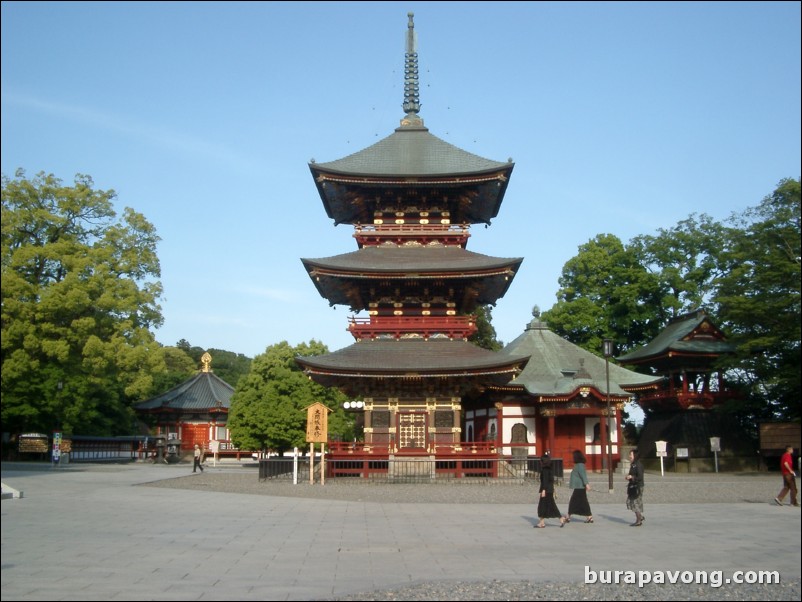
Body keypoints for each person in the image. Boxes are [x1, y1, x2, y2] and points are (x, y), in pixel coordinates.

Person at [535, 453, 566, 528]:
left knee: (542, 506)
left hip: (546, 490)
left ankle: (542, 522)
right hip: (550, 489)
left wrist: (543, 490)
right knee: (551, 505)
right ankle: (560, 518)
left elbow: (545, 481)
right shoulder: (550, 469)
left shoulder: (544, 470)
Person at [564, 450, 593, 524]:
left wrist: (586, 484)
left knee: (574, 501)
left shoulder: (580, 465)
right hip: (579, 487)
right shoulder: (579, 465)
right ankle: (589, 516)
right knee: (582, 502)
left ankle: (568, 516)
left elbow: (583, 475)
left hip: (580, 486)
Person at [625, 448, 645, 526]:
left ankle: (638, 520)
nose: (630, 456)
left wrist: (632, 477)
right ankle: (640, 516)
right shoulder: (633, 464)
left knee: (635, 502)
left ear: (635, 455)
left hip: (638, 486)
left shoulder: (638, 465)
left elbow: (640, 477)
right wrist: (629, 477)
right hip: (632, 485)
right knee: (629, 502)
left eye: (631, 454)